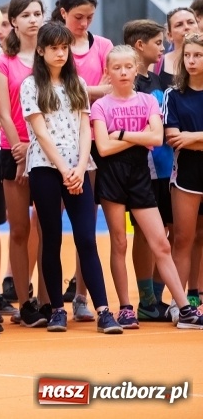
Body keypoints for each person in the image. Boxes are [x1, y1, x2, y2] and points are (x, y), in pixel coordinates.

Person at [92, 45, 203, 330]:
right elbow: (103, 148)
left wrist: (123, 134)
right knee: (119, 241)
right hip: (111, 175)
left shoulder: (147, 101)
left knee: (161, 243)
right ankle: (126, 309)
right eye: (116, 68)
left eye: (128, 66)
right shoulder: (100, 105)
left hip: (140, 174)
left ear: (136, 68)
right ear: (108, 72)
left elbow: (156, 137)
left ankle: (184, 309)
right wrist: (138, 137)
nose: (123, 72)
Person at [20, 21, 121, 334]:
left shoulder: (76, 83)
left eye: (64, 47)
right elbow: (40, 132)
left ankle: (103, 309)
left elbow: (83, 128)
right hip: (45, 169)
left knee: (87, 239)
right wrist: (64, 169)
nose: (60, 53)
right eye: (54, 48)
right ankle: (56, 311)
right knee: (50, 239)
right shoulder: (30, 85)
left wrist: (79, 167)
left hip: (80, 169)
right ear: (41, 50)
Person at [0, 0, 47, 327]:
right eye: (25, 14)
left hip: (48, 150)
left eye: (37, 13)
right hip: (13, 149)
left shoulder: (51, 56)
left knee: (47, 227)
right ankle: (25, 302)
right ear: (13, 21)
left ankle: (47, 298)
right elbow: (3, 111)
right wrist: (19, 150)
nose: (32, 20)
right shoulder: (3, 61)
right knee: (20, 229)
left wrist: (38, 148)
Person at [123, 20, 174, 321]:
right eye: (157, 42)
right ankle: (145, 299)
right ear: (140, 45)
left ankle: (156, 297)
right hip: (143, 170)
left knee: (164, 231)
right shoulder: (131, 84)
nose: (163, 48)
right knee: (143, 234)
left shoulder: (156, 81)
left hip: (167, 167)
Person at [164, 32, 203, 322]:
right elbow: (173, 138)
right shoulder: (173, 94)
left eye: (198, 55)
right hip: (186, 176)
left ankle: (198, 295)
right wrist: (191, 139)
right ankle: (182, 304)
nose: (191, 60)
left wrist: (192, 136)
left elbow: (184, 136)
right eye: (187, 55)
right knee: (183, 238)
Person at [155, 7, 200, 90]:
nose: (186, 27)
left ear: (198, 27)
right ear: (170, 35)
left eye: (190, 22)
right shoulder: (156, 64)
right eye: (179, 25)